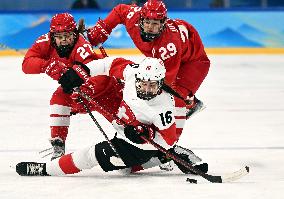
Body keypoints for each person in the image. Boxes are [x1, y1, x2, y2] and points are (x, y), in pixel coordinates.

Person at [16, 57, 207, 176]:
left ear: (160, 83)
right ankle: (163, 158)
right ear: (138, 77)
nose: (147, 89)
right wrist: (82, 72)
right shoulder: (132, 73)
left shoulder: (164, 107)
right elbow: (109, 64)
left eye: (152, 85)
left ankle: (44, 170)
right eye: (143, 84)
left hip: (137, 144)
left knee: (91, 155)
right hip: (122, 131)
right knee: (124, 169)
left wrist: (146, 134)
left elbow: (169, 140)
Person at [86, 0, 210, 170]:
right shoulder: (133, 18)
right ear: (140, 19)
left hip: (193, 63)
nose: (151, 27)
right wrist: (101, 31)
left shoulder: (169, 47)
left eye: (156, 23)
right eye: (148, 22)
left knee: (176, 100)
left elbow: (165, 87)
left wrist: (134, 88)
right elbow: (120, 10)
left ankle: (169, 150)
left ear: (163, 24)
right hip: (173, 54)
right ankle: (191, 102)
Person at [22, 13, 120, 160]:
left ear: (75, 34)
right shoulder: (44, 41)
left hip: (104, 90)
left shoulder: (82, 47)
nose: (64, 41)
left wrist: (83, 87)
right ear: (52, 36)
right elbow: (26, 64)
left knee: (125, 123)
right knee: (59, 98)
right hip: (78, 91)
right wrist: (47, 65)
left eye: (68, 36)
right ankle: (58, 145)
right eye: (59, 37)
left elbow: (94, 74)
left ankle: (157, 150)